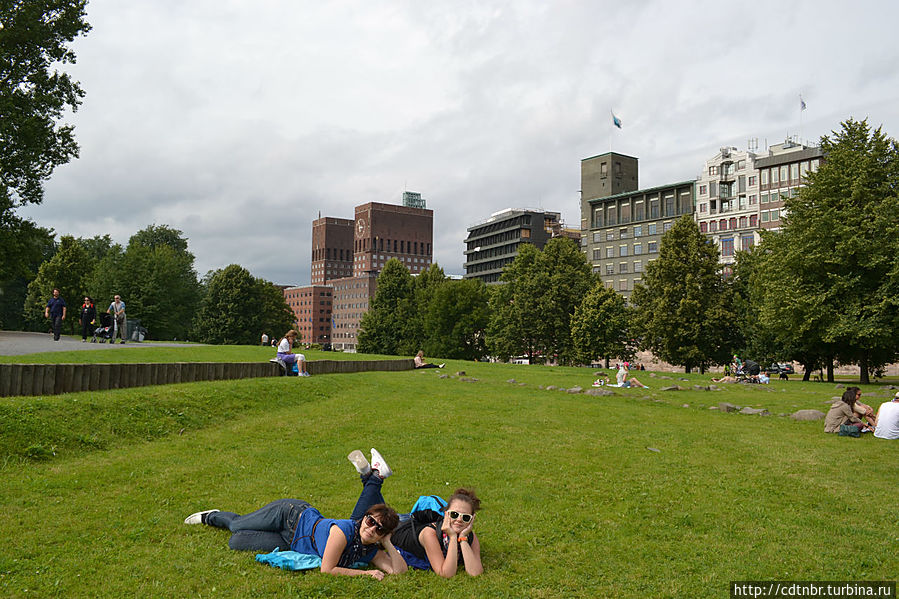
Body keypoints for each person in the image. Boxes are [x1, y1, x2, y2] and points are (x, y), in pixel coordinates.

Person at [184, 449, 406, 580]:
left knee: (236, 542)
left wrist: (387, 543)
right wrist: (365, 574)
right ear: (364, 519)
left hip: (290, 541)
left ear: (381, 535)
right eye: (369, 521)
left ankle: (370, 477)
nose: (371, 528)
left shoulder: (368, 551)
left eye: (379, 529)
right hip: (290, 516)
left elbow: (398, 571)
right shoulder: (344, 531)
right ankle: (210, 516)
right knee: (236, 526)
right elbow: (327, 570)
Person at [346, 450, 483, 578]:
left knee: (377, 510)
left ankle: (367, 474)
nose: (459, 520)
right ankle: (376, 477)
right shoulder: (430, 533)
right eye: (454, 514)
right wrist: (453, 538)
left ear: (472, 519)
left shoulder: (469, 536)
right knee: (354, 526)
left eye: (465, 517)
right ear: (446, 514)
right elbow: (445, 572)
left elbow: (475, 572)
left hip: (405, 521)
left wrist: (462, 538)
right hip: (396, 526)